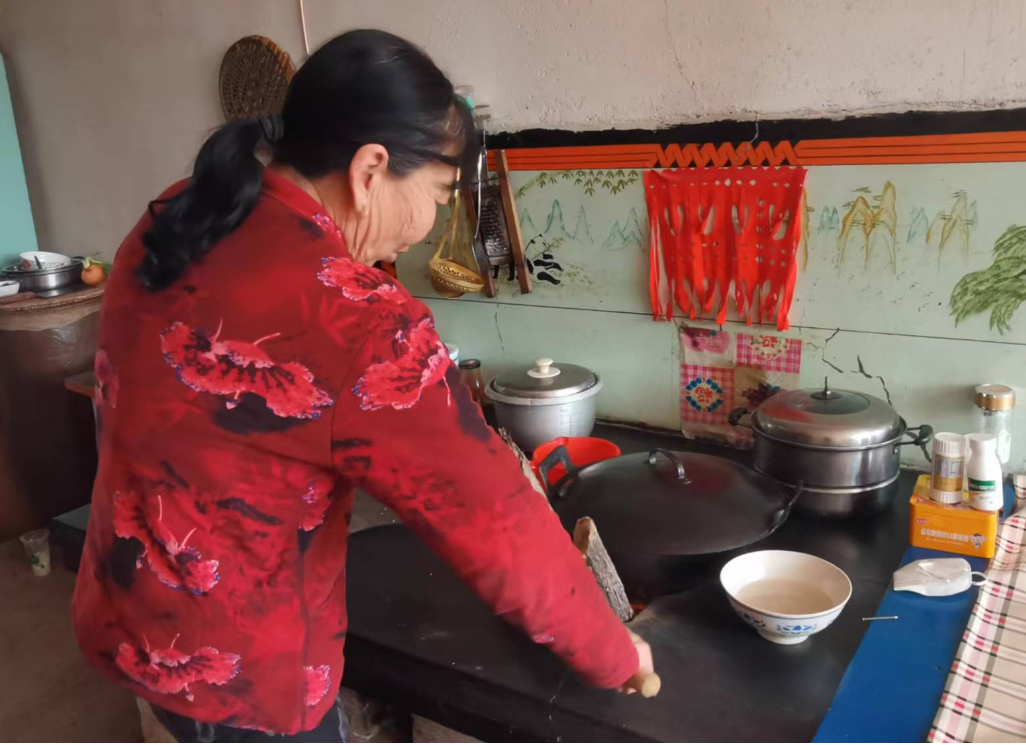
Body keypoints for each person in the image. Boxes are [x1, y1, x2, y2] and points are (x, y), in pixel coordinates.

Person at [72, 29, 653, 742]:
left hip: (127, 611)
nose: (432, 223)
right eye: (438, 193)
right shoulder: (358, 317)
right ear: (371, 169)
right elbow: (494, 520)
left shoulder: (185, 212)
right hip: (244, 673)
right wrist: (613, 650)